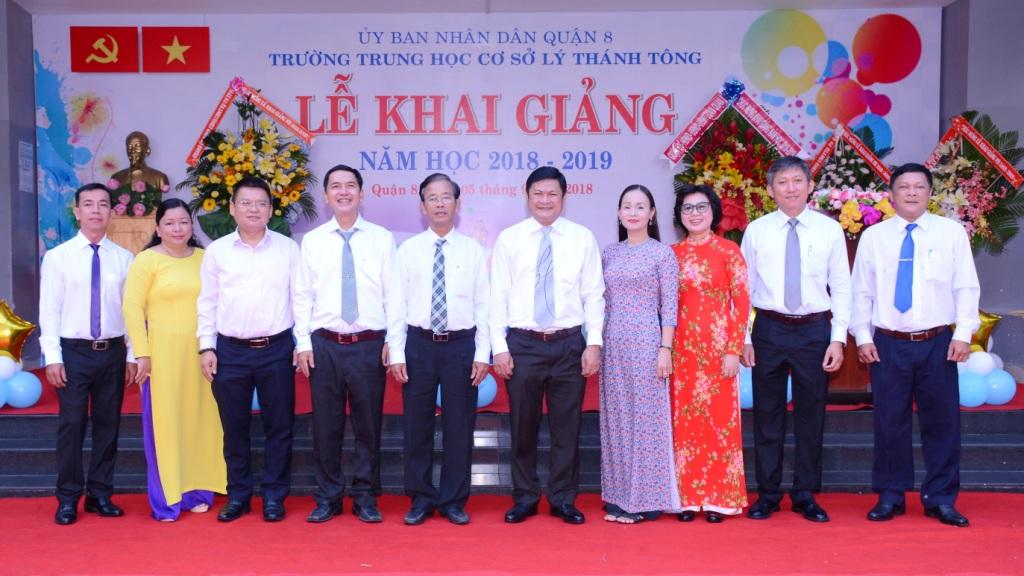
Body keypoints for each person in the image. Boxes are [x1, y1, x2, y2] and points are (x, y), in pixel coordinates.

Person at [851, 163, 979, 528]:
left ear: (929, 193)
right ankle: (890, 495)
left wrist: (963, 334)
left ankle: (941, 498)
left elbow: (965, 286)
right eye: (903, 187)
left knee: (943, 423)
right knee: (889, 422)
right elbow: (861, 290)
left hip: (937, 342)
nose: (911, 192)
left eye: (919, 187)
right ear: (891, 194)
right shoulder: (874, 237)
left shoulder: (951, 233)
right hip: (888, 343)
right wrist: (863, 336)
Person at [490, 166, 605, 525]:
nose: (545, 200)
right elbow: (498, 296)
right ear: (527, 197)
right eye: (538, 193)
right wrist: (499, 347)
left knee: (566, 428)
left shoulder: (582, 238)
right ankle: (524, 497)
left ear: (564, 198)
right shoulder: (509, 239)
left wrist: (594, 343)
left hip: (569, 343)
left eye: (552, 194)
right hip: (522, 344)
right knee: (522, 426)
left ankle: (562, 498)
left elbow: (594, 294)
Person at [740, 155, 851, 523]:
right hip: (769, 329)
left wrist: (838, 338)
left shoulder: (829, 230)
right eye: (782, 182)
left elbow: (842, 286)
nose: (790, 188)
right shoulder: (757, 231)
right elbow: (744, 289)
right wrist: (744, 337)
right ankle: (768, 494)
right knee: (767, 415)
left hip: (814, 330)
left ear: (810, 186)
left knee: (811, 415)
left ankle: (805, 494)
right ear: (770, 190)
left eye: (797, 181)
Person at [294, 164, 396, 524]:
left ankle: (365, 496)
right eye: (335, 186)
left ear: (361, 194)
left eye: (350, 185)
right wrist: (303, 343)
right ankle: (328, 496)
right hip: (324, 345)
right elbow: (302, 296)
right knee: (326, 426)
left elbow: (394, 295)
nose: (343, 192)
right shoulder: (313, 241)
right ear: (326, 196)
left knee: (368, 426)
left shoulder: (382, 238)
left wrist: (393, 341)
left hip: (369, 345)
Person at [387, 173, 490, 526]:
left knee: (459, 425)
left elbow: (484, 305)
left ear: (457, 204)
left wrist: (482, 353)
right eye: (433, 198)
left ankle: (453, 500)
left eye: (446, 197)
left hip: (460, 346)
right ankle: (420, 497)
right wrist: (397, 352)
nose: (440, 203)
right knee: (417, 425)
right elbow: (396, 305)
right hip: (419, 344)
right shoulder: (408, 250)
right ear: (422, 206)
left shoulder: (472, 250)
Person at [196, 176, 300, 523]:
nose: (253, 209)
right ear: (232, 208)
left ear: (271, 210)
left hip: (277, 348)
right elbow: (207, 302)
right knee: (234, 427)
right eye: (246, 203)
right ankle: (238, 495)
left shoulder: (288, 249)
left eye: (260, 203)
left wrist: (302, 343)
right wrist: (206, 347)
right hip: (231, 351)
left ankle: (274, 496)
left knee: (279, 426)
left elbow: (299, 299)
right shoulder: (217, 251)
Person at [39, 182, 137, 525]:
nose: (96, 210)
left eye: (103, 204)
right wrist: (52, 356)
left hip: (112, 352)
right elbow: (49, 309)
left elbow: (131, 311)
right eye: (89, 204)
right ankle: (68, 497)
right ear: (77, 211)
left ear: (112, 211)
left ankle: (100, 494)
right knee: (72, 426)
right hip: (74, 352)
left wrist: (132, 354)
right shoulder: (58, 257)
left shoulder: (125, 259)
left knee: (108, 426)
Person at [122, 198, 227, 522]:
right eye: (169, 223)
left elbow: (217, 303)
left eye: (183, 222)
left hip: (201, 355)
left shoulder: (204, 258)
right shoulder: (146, 261)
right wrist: (141, 353)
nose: (177, 229)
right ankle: (166, 499)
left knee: (201, 422)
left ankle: (197, 491)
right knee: (165, 427)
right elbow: (132, 308)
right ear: (157, 228)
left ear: (191, 225)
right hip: (161, 357)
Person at [598, 184, 678, 524]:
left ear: (652, 213)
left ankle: (647, 498)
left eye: (640, 206)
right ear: (619, 213)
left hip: (647, 343)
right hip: (612, 343)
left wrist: (665, 349)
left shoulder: (662, 254)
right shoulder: (609, 253)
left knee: (646, 422)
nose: (633, 212)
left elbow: (670, 306)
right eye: (627, 206)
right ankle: (619, 496)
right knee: (616, 420)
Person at [671, 184, 750, 523]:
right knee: (685, 423)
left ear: (714, 211)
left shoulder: (729, 250)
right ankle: (687, 499)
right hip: (681, 351)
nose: (695, 214)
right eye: (687, 208)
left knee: (720, 422)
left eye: (701, 207)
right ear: (679, 215)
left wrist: (734, 349)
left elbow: (742, 303)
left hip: (719, 351)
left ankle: (719, 499)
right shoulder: (671, 254)